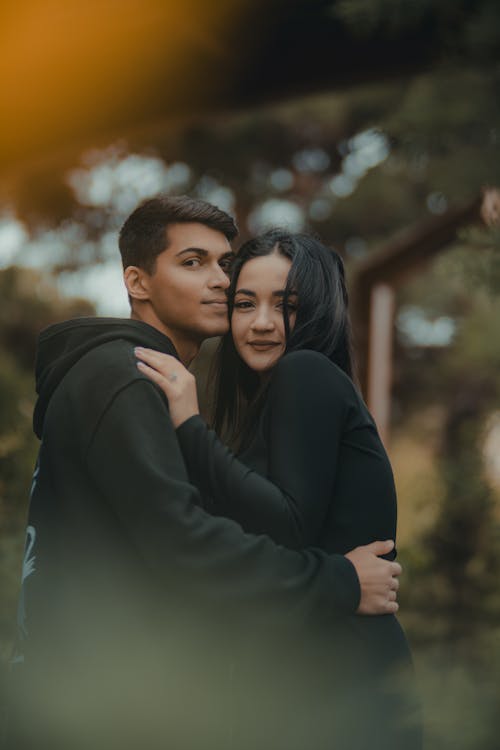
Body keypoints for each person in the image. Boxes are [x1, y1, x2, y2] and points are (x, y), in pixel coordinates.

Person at [11, 197, 401, 750]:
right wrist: (337, 582)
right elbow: (187, 543)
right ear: (136, 281)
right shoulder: (127, 377)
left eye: (224, 264)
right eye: (194, 262)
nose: (220, 281)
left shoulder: (165, 383)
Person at [136, 228, 422, 750]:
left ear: (317, 311)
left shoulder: (305, 373)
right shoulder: (287, 400)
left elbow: (287, 524)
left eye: (285, 306)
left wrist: (187, 421)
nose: (261, 323)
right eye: (244, 303)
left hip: (337, 688)